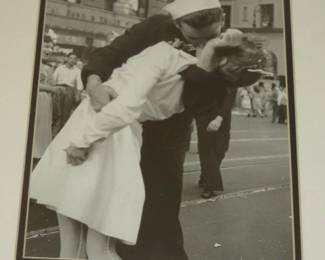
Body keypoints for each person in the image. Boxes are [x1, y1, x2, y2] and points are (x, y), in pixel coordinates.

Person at [30, 35, 266, 260]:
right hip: (119, 137)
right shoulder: (201, 84)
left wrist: (83, 140)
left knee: (83, 247)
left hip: (101, 130)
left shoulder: (168, 56)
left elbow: (124, 107)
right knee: (93, 246)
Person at [32, 44, 61, 167]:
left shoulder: (49, 69)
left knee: (44, 124)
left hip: (46, 99)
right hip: (37, 97)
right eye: (45, 51)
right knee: (35, 123)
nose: (47, 54)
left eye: (49, 53)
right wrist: (52, 88)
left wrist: (53, 87)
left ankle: (40, 152)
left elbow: (52, 83)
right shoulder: (33, 64)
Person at [52, 52, 83, 132]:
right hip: (59, 88)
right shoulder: (60, 68)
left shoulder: (77, 71)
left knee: (66, 113)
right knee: (56, 112)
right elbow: (53, 80)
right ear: (67, 58)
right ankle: (53, 129)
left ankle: (61, 131)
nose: (73, 60)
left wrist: (78, 95)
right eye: (71, 58)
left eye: (74, 59)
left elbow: (80, 84)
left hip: (69, 90)